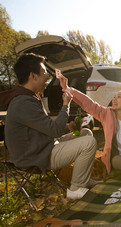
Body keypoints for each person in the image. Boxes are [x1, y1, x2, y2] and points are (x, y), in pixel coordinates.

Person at [0, 53, 98, 200]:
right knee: (88, 143)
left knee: (85, 133)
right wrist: (66, 105)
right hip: (36, 157)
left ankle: (83, 179)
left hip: (44, 147)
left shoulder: (29, 97)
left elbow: (47, 128)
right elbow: (55, 130)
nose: (47, 78)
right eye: (45, 72)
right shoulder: (23, 102)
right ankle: (76, 188)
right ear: (33, 76)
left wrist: (67, 127)